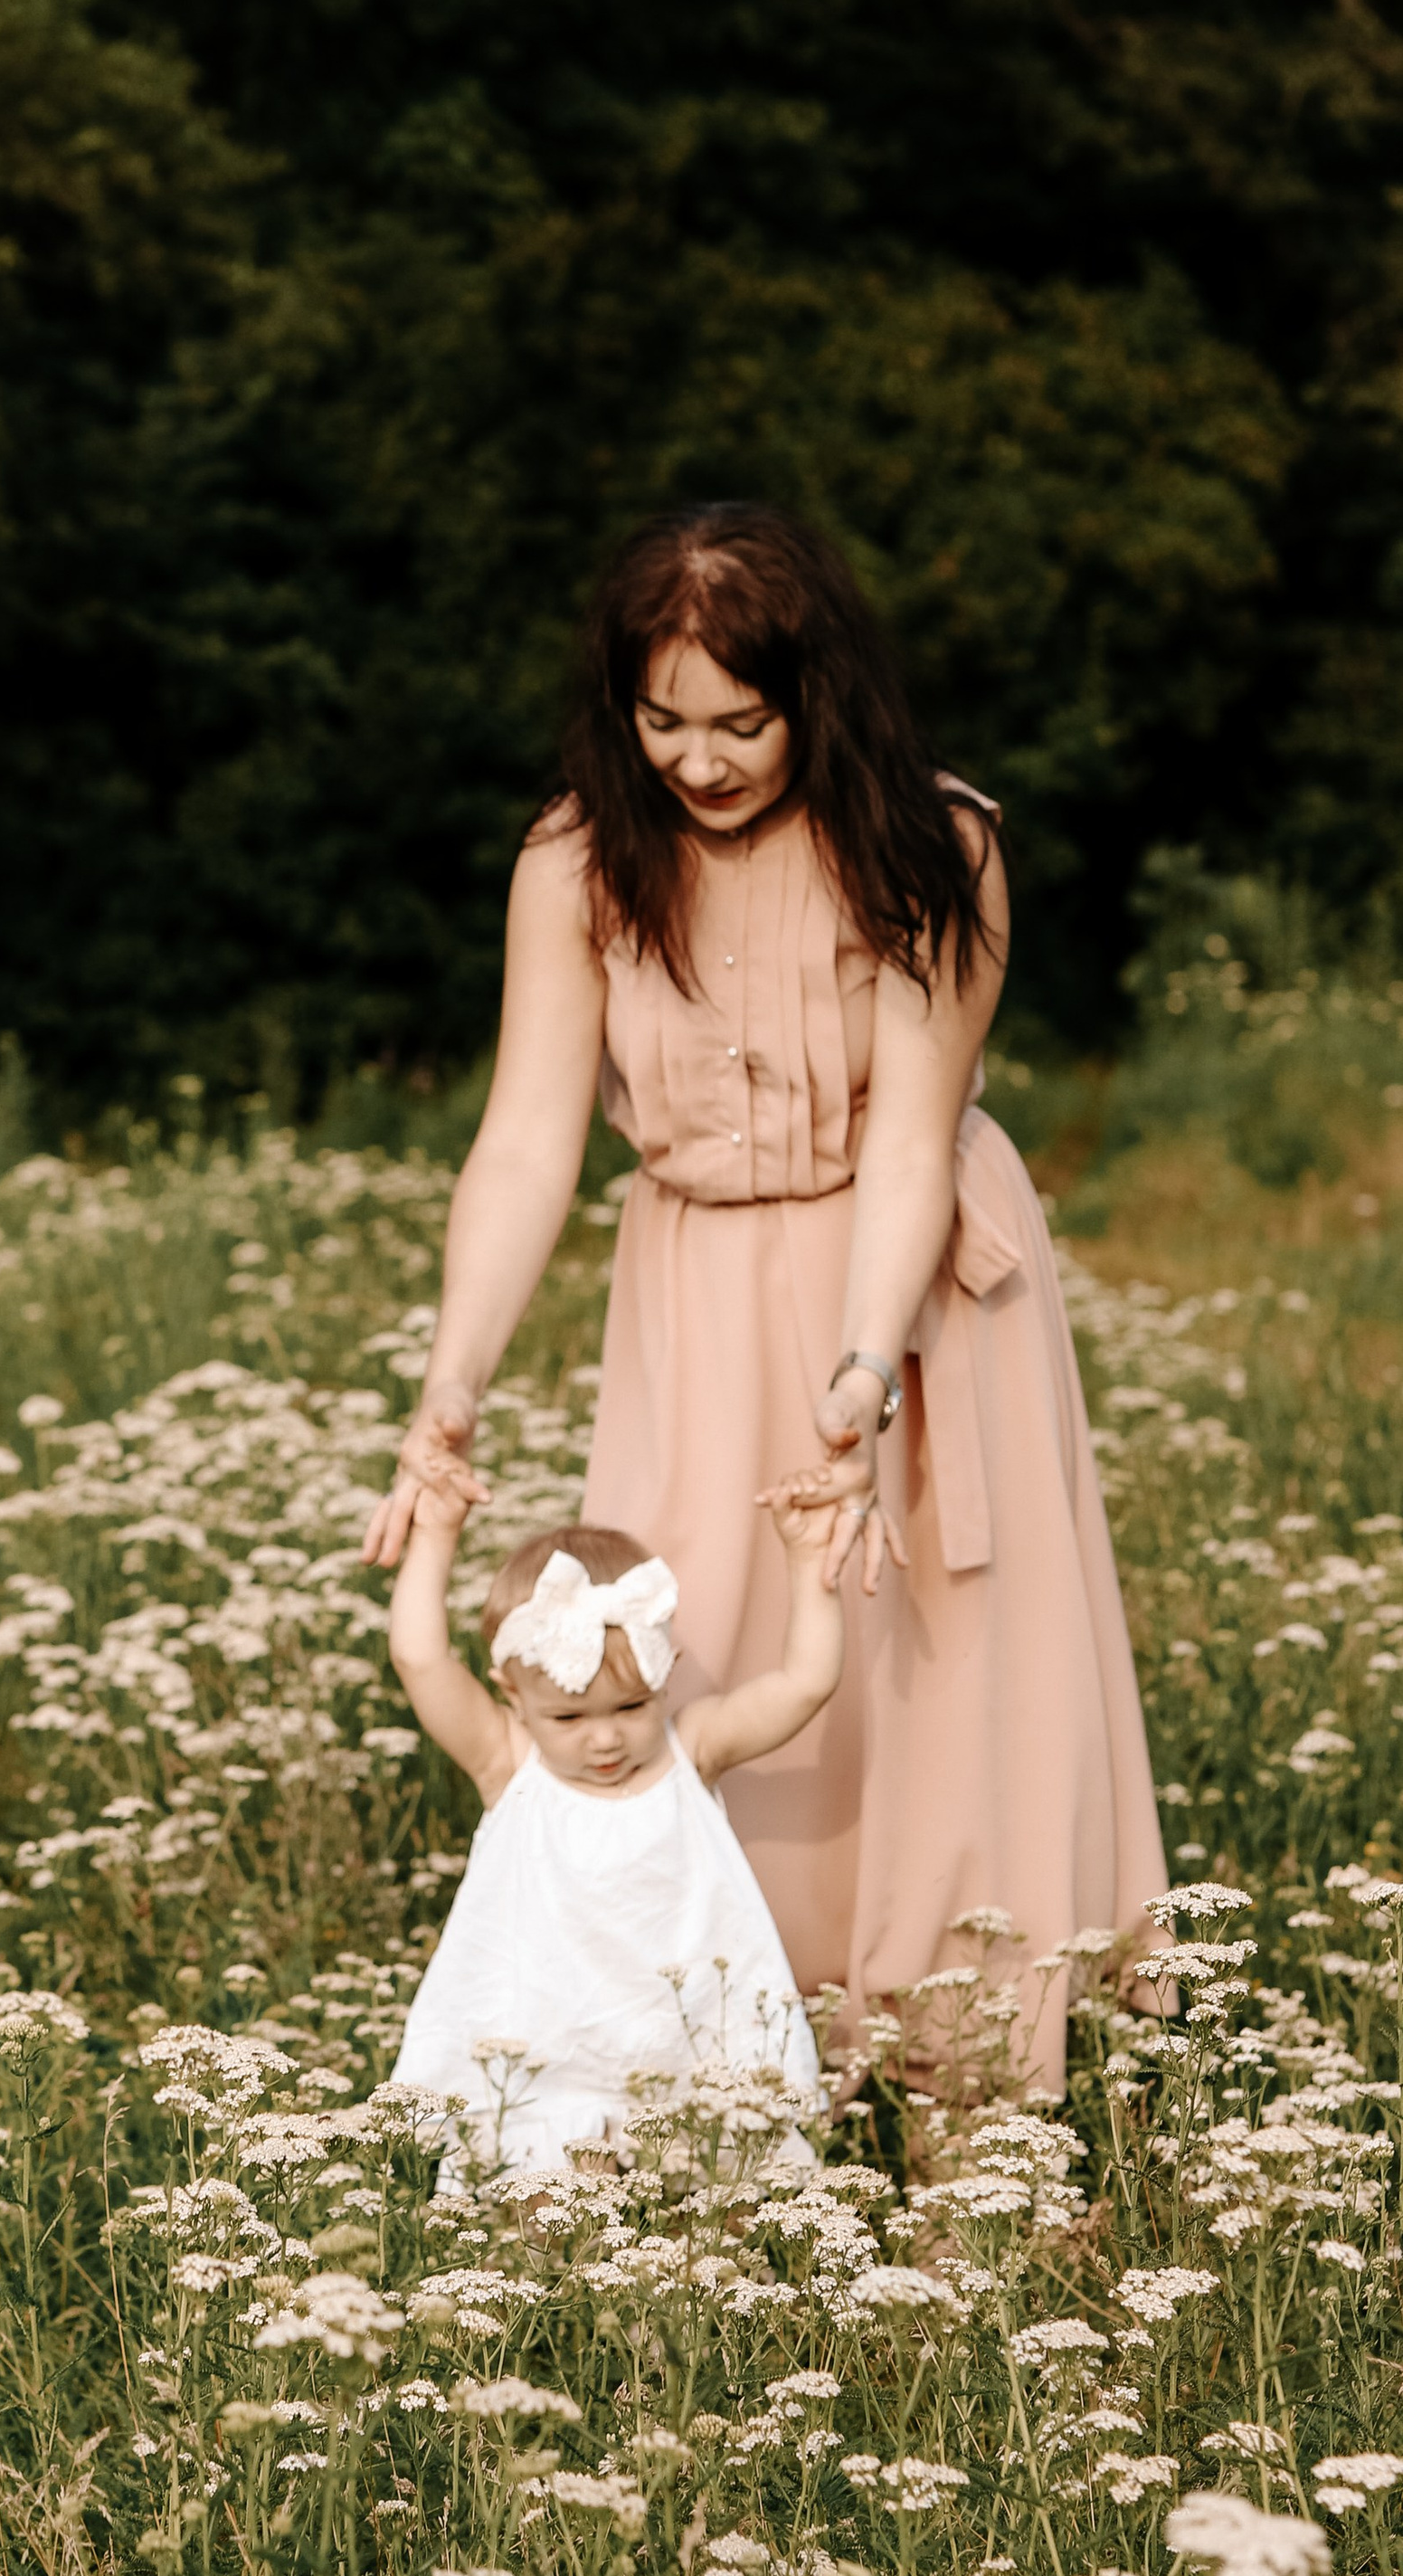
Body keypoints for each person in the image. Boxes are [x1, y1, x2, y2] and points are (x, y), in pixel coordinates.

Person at [361, 503, 1164, 2094]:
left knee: (940, 1659)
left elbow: (917, 1136)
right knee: (700, 1646)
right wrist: (452, 1378)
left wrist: (862, 1379)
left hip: (915, 1287)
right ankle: (732, 2058)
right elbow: (525, 1140)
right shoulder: (576, 858)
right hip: (695, 1284)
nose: (701, 761)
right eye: (663, 721)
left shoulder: (937, 846)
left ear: (819, 695)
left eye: (740, 721)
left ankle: (969, 2086)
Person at [383, 1477, 844, 2176]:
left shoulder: (693, 1749)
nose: (603, 1741)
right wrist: (436, 1535)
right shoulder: (511, 1763)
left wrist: (809, 1567)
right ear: (513, 1695)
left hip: (688, 2055)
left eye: (630, 1708)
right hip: (549, 2061)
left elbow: (805, 1684)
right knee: (545, 2219)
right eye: (569, 1718)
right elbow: (420, 1659)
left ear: (667, 1677)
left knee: (720, 2216)